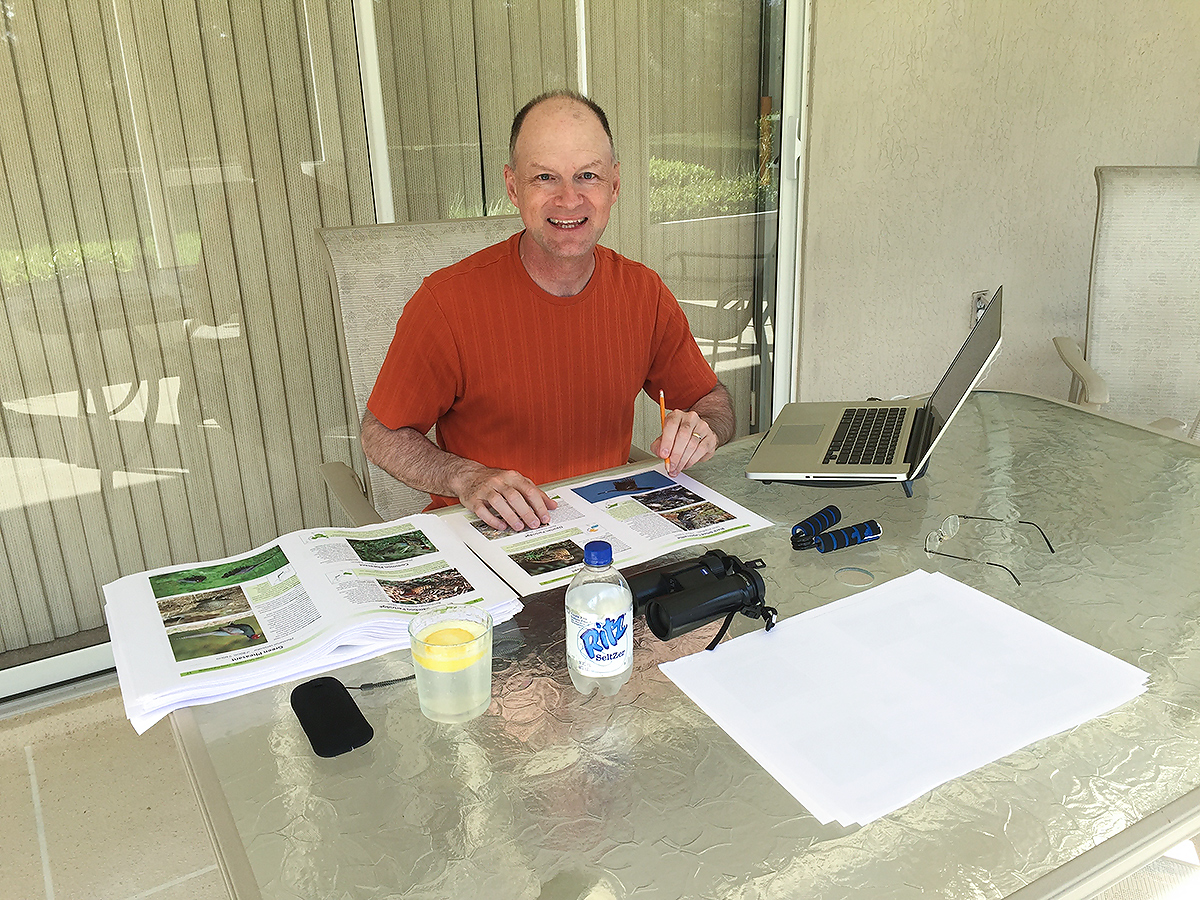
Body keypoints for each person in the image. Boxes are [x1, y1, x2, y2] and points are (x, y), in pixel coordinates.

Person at [362, 90, 734, 532]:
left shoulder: (643, 292)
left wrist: (702, 428)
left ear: (614, 185)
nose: (568, 198)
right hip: (488, 540)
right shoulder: (447, 302)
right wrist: (465, 476)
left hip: (610, 532)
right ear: (512, 187)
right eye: (544, 177)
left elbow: (713, 401)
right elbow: (380, 434)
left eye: (587, 176)